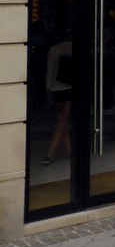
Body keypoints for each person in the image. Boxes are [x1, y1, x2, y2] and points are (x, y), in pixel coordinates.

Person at [42, 37, 74, 166]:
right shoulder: (75, 46)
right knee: (62, 121)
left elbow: (49, 71)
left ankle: (54, 153)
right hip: (69, 87)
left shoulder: (53, 49)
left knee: (61, 120)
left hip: (56, 87)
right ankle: (52, 154)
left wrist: (48, 89)